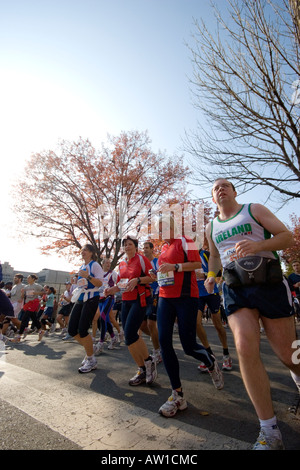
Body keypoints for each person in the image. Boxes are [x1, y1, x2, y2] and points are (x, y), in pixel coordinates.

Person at [204, 177, 300, 450]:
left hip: (268, 282)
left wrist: (256, 246)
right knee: (245, 345)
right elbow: (213, 256)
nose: (220, 189)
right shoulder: (211, 226)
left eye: (225, 185)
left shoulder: (253, 210)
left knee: (288, 353)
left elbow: (286, 236)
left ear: (234, 192)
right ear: (213, 198)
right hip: (235, 288)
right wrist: (212, 276)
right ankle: (269, 431)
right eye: (215, 188)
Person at [155, 216, 224, 418]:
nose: (162, 231)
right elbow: (163, 272)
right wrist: (157, 272)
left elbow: (196, 265)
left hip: (186, 296)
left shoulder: (186, 240)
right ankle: (177, 394)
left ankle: (211, 362)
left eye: (166, 226)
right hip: (165, 297)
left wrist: (174, 267)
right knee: (164, 342)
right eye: (159, 229)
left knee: (188, 345)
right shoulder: (162, 249)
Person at [104, 236, 157, 386]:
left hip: (140, 299)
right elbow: (120, 284)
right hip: (126, 300)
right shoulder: (121, 264)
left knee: (131, 332)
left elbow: (153, 277)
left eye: (130, 244)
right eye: (125, 245)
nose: (127, 246)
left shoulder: (141, 260)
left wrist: (138, 280)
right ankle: (142, 369)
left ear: (135, 246)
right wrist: (110, 290)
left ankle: (149, 361)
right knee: (128, 337)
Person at [67, 244, 104, 373]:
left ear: (92, 253)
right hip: (81, 297)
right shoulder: (82, 266)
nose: (83, 252)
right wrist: (77, 281)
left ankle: (91, 359)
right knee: (72, 329)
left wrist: (87, 276)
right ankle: (90, 349)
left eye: (86, 250)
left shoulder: (95, 265)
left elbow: (100, 283)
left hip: (92, 298)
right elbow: (82, 284)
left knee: (83, 329)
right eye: (82, 250)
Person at [196, 248, 232, 372]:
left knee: (217, 324)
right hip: (197, 294)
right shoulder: (186, 256)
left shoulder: (205, 254)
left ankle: (226, 354)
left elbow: (218, 273)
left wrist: (204, 275)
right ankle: (209, 355)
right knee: (196, 323)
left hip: (211, 292)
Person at [141, 241, 162, 364]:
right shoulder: (142, 263)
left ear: (152, 249)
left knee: (150, 323)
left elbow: (164, 276)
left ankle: (157, 351)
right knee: (142, 325)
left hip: (156, 294)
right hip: (144, 295)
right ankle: (157, 339)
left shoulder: (158, 261)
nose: (145, 250)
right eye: (143, 248)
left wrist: (155, 276)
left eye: (147, 248)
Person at [93, 258, 119, 353]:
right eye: (106, 263)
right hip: (100, 299)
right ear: (102, 264)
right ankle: (113, 337)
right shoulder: (99, 274)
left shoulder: (113, 273)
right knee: (106, 319)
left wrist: (114, 289)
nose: (108, 264)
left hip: (109, 298)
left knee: (103, 317)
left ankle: (100, 342)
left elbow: (119, 283)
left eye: (109, 263)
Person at [13, 275, 44, 342]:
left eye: (29, 278)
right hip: (27, 303)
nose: (27, 279)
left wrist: (36, 293)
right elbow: (23, 296)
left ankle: (19, 336)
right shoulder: (26, 287)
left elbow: (44, 292)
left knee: (24, 318)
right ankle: (40, 331)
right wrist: (22, 293)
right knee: (34, 318)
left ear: (33, 279)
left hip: (33, 303)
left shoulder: (37, 286)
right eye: (27, 278)